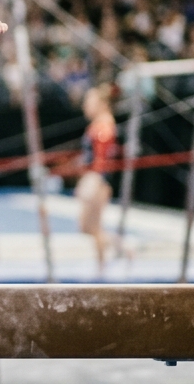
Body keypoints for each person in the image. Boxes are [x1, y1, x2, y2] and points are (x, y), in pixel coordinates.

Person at [75, 85, 118, 273]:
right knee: (86, 227)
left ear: (101, 104)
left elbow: (102, 158)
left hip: (98, 180)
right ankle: (121, 248)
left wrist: (95, 180)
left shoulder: (104, 125)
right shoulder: (97, 124)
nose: (85, 106)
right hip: (93, 177)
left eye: (89, 102)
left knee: (93, 227)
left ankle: (102, 268)